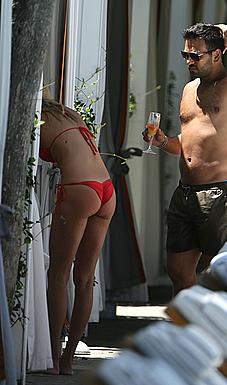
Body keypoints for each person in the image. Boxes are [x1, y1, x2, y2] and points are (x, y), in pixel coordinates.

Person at [142, 23, 227, 295]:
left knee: (221, 273)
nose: (189, 61)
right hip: (185, 192)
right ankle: (187, 332)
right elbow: (187, 144)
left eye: (195, 55)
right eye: (185, 55)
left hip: (220, 194)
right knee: (178, 271)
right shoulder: (190, 90)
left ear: (216, 54)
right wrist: (163, 141)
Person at [39, 98, 116, 374]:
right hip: (106, 189)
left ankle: (51, 359)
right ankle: (69, 359)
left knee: (58, 275)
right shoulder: (69, 115)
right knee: (84, 280)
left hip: (80, 188)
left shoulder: (40, 120)